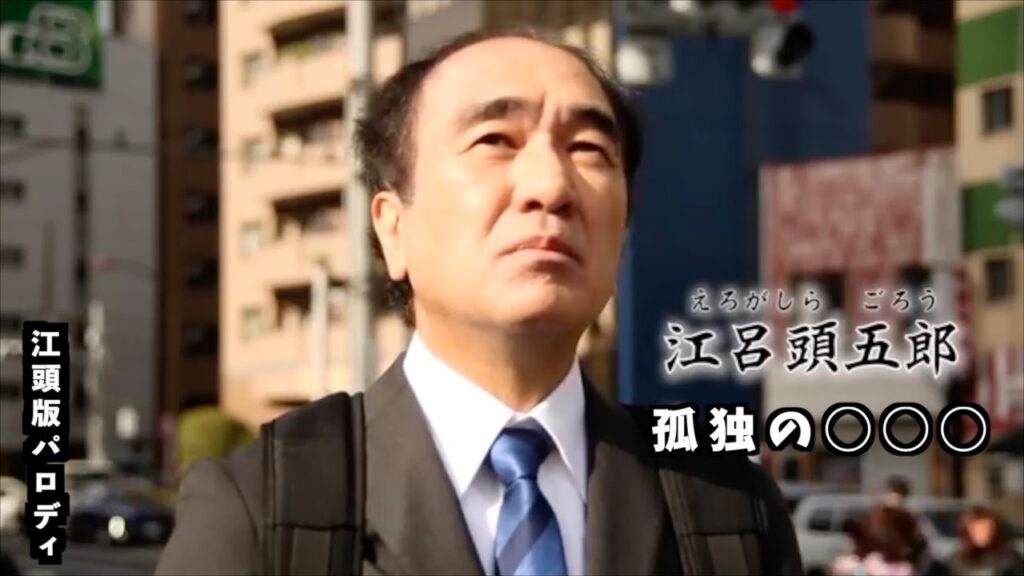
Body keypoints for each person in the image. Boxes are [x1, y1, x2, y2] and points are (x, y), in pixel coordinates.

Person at [155, 27, 802, 576]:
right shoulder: (261, 507)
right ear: (393, 228)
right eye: (494, 140)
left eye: (588, 149)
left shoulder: (727, 504)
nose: (551, 185)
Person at [948, 505, 1024, 576]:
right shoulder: (957, 560)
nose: (982, 532)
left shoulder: (1009, 557)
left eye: (986, 528)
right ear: (966, 532)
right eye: (976, 528)